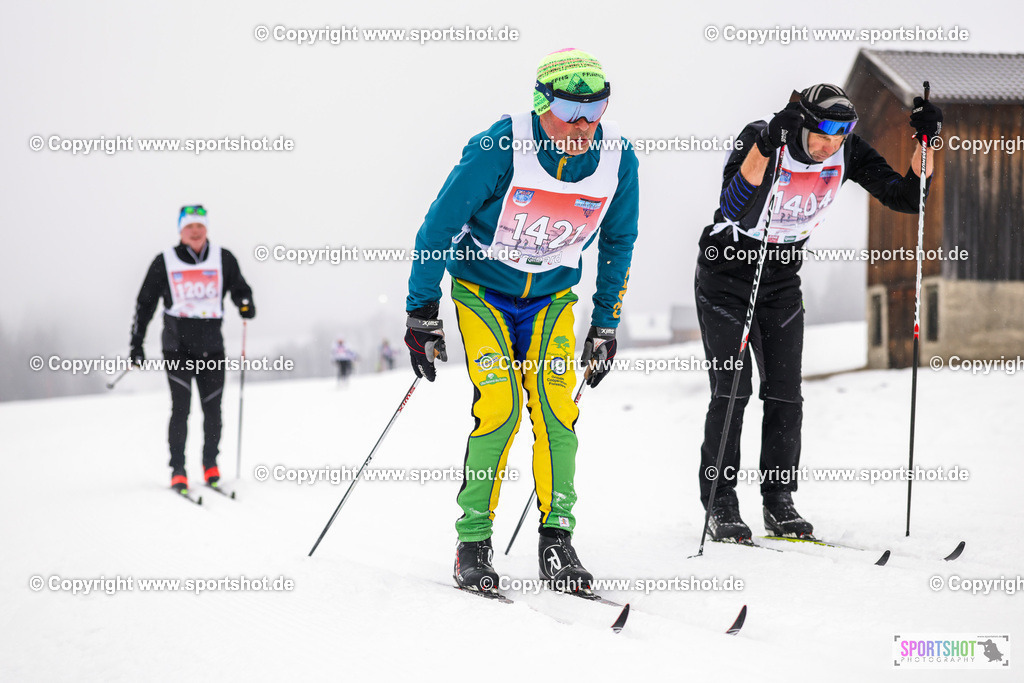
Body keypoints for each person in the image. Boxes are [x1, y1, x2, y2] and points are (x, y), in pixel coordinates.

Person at [404, 48, 639, 596]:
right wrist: (421, 310)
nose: (583, 124)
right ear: (542, 102)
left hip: (551, 300)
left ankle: (557, 541)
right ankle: (473, 543)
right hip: (483, 292)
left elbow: (618, 241)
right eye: (568, 108)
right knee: (502, 408)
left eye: (595, 109)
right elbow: (438, 224)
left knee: (558, 409)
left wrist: (605, 323)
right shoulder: (500, 146)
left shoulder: (617, 158)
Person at [694, 84, 942, 541]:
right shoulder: (763, 137)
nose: (830, 146)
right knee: (732, 389)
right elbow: (735, 209)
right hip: (727, 272)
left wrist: (927, 143)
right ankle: (720, 501)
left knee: (786, 391)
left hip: (782, 275)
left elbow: (907, 197)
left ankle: (779, 500)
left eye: (841, 135)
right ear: (802, 123)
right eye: (823, 135)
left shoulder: (846, 151)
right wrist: (768, 145)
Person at [130, 205, 256, 495]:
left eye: (200, 226)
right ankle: (178, 469)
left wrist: (246, 304)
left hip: (212, 348)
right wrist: (136, 344)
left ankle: (210, 465)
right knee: (181, 409)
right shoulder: (165, 262)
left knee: (213, 410)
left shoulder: (223, 258)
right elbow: (144, 304)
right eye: (189, 227)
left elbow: (240, 289)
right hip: (178, 347)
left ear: (207, 228)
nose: (195, 231)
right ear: (180, 231)